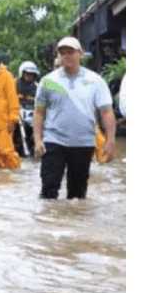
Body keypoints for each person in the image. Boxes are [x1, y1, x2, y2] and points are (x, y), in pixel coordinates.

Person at [33, 36, 116, 199]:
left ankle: (73, 217)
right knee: (48, 191)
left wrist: (111, 141)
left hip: (83, 143)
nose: (66, 56)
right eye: (62, 53)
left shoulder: (95, 81)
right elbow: (39, 112)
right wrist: (37, 140)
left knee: (77, 196)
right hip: (54, 141)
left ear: (80, 54)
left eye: (70, 52)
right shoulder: (48, 81)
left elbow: (106, 111)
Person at [13, 61, 40, 157]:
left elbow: (40, 101)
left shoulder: (37, 86)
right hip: (16, 111)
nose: (29, 76)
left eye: (32, 74)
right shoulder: (14, 83)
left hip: (31, 112)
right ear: (22, 73)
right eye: (27, 74)